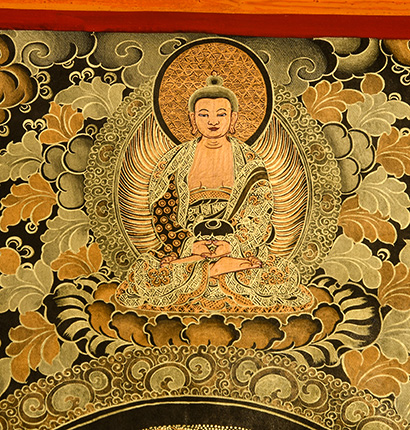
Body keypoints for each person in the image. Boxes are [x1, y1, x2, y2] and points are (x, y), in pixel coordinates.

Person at [116, 75, 313, 312]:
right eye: (203, 114)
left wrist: (230, 245)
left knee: (275, 274)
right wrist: (190, 244)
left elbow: (259, 214)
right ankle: (217, 269)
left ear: (233, 118)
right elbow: (162, 212)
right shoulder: (175, 161)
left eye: (221, 114)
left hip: (236, 245)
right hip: (189, 245)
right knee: (151, 272)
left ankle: (213, 268)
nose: (212, 121)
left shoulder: (249, 161)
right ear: (192, 118)